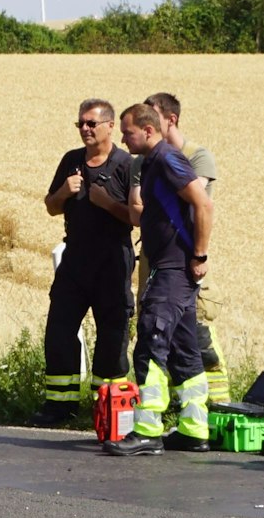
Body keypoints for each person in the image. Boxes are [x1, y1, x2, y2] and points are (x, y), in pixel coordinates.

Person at [105, 103, 215, 456]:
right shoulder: (153, 162)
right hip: (168, 267)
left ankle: (148, 430)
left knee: (151, 341)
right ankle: (194, 430)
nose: (123, 138)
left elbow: (203, 204)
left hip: (174, 269)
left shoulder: (167, 159)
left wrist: (199, 255)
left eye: (127, 132)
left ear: (148, 131)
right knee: (184, 348)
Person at [30, 98, 137, 426]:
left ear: (110, 126)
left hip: (112, 262)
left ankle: (106, 412)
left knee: (112, 336)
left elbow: (135, 217)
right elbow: (51, 206)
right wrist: (64, 190)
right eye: (81, 124)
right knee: (59, 333)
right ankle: (59, 408)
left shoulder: (127, 165)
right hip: (75, 259)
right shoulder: (71, 161)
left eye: (92, 123)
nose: (85, 129)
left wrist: (106, 203)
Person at [143, 92, 227, 403]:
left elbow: (194, 199)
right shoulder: (149, 159)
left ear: (170, 119)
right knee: (166, 337)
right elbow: (138, 206)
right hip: (158, 263)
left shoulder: (195, 156)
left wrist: (199, 256)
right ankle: (185, 412)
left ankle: (219, 407)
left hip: (187, 261)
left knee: (200, 339)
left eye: (151, 116)